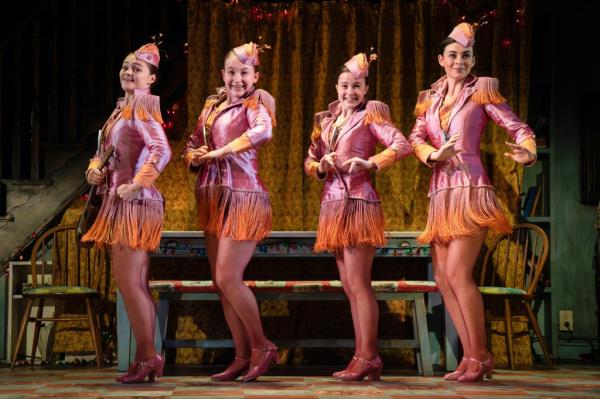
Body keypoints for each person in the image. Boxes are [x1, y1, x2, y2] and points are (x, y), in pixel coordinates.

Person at [408, 22, 537, 382]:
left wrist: (527, 152)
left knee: (458, 274)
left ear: (473, 59)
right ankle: (469, 359)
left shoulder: (482, 90)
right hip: (440, 194)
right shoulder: (429, 98)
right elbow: (415, 137)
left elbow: (519, 128)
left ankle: (481, 358)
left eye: (465, 56)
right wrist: (434, 154)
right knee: (444, 280)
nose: (459, 61)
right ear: (441, 59)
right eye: (452, 55)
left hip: (470, 189)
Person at [304, 52, 411, 381]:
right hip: (333, 205)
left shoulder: (370, 115)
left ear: (365, 90)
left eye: (357, 86)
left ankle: (367, 356)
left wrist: (371, 162)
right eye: (345, 85)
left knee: (360, 284)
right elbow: (310, 160)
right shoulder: (326, 121)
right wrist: (320, 166)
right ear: (336, 87)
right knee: (349, 286)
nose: (350, 91)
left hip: (359, 202)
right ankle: (364, 356)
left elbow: (401, 144)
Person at [183, 41, 277, 382]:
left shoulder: (256, 104)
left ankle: (261, 345)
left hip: (243, 196)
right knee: (219, 284)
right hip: (212, 199)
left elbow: (263, 131)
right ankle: (240, 356)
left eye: (244, 73)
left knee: (227, 276)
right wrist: (195, 156)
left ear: (255, 76)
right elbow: (193, 143)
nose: (237, 79)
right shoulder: (211, 106)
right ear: (223, 74)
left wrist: (220, 151)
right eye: (232, 72)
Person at [82, 42, 172, 383]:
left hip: (135, 204)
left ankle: (149, 356)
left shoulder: (143, 108)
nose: (128, 72)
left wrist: (136, 184)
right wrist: (94, 170)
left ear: (151, 78)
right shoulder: (121, 110)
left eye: (137, 68)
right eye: (125, 66)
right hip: (120, 202)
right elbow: (103, 152)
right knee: (135, 285)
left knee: (130, 284)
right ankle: (146, 357)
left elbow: (161, 150)